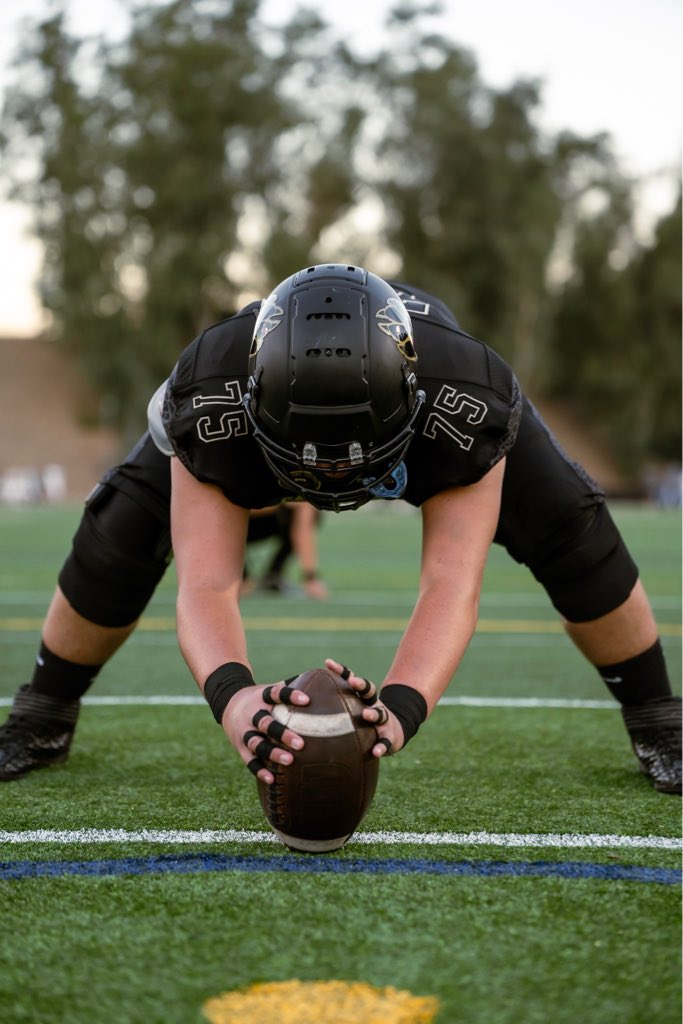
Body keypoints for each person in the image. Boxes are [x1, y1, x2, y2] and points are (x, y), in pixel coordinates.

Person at [0, 264, 679, 793]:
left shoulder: (464, 397)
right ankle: (42, 716)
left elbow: (450, 584)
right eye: (311, 462)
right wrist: (233, 698)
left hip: (429, 408)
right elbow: (207, 584)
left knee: (572, 530)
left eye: (347, 458)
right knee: (117, 535)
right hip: (252, 425)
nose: (329, 479)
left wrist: (401, 708)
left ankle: (658, 720)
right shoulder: (206, 393)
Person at [242, 503, 328, 598]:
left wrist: (310, 577)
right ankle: (239, 575)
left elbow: (303, 528)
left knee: (304, 510)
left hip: (264, 521)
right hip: (235, 523)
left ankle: (274, 574)